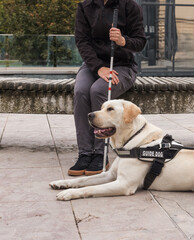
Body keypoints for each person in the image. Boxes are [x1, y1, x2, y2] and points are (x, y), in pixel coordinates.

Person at [68, 0, 147, 176]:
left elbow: (140, 42)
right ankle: (85, 153)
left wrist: (122, 40)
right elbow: (82, 41)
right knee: (81, 91)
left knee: (98, 90)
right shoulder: (85, 6)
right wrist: (98, 67)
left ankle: (100, 154)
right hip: (92, 66)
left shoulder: (130, 6)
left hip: (122, 66)